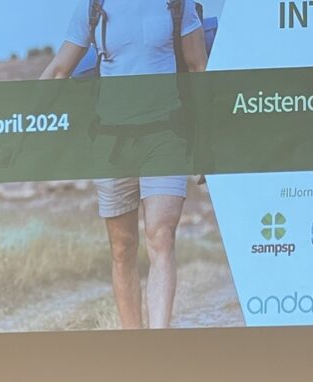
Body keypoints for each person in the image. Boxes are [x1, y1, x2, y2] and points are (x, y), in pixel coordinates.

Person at [41, 0, 207, 329]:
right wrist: (16, 119)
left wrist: (205, 143)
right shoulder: (93, 6)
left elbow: (198, 66)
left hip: (165, 135)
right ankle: (134, 342)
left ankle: (158, 345)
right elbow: (59, 70)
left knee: (161, 237)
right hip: (112, 141)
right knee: (123, 247)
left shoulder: (178, 3)